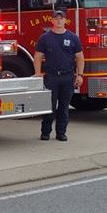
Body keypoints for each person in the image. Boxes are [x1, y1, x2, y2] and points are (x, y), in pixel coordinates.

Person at [33, 9, 85, 141]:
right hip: (51, 77)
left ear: (65, 20)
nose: (59, 20)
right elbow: (38, 57)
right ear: (52, 20)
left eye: (61, 18)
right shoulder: (45, 38)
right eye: (56, 18)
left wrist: (80, 75)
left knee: (63, 107)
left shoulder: (73, 37)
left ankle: (61, 133)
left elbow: (79, 57)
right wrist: (38, 73)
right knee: (49, 106)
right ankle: (45, 132)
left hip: (67, 77)